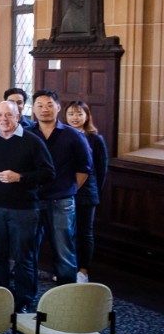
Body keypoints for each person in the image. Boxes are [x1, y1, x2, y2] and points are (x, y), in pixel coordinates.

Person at [0, 100, 54, 313]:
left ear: (18, 116)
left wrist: (20, 177)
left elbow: (49, 174)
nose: (4, 119)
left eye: (9, 115)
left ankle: (24, 300)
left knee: (24, 257)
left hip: (24, 209)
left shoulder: (32, 141)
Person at [32, 90, 92, 285]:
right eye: (40, 105)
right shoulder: (27, 134)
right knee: (29, 247)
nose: (45, 109)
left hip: (62, 200)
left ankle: (67, 297)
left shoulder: (73, 135)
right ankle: (27, 296)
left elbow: (84, 169)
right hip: (32, 199)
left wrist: (69, 189)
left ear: (58, 108)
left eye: (49, 105)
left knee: (64, 248)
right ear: (33, 109)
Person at [64, 100, 107, 283]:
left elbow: (101, 169)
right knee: (66, 232)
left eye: (79, 114)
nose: (75, 118)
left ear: (87, 116)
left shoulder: (95, 139)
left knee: (84, 232)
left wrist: (94, 191)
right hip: (64, 191)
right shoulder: (62, 136)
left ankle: (83, 270)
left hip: (87, 194)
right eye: (71, 114)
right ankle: (67, 267)